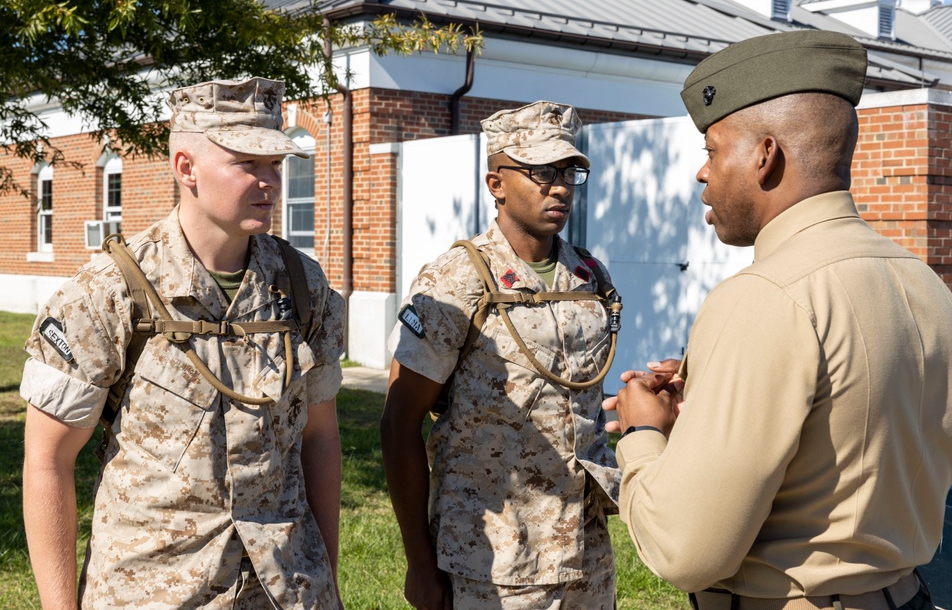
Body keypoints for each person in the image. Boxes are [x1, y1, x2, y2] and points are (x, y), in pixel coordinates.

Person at [605, 30, 952, 610]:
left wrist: (643, 434)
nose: (703, 173)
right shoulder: (925, 284)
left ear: (765, 155)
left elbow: (685, 550)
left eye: (711, 149)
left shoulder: (765, 296)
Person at [21, 78, 345, 609]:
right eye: (247, 163)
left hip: (285, 589)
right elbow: (47, 461)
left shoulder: (303, 288)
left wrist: (324, 577)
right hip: (151, 591)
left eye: (276, 165)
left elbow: (321, 438)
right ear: (185, 167)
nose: (269, 182)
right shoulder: (109, 291)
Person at [382, 100, 621, 610]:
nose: (558, 187)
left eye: (567, 173)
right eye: (540, 172)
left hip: (586, 555)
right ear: (496, 184)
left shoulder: (589, 278)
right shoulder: (457, 279)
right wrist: (421, 565)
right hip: (492, 562)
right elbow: (399, 422)